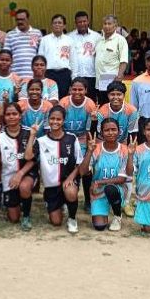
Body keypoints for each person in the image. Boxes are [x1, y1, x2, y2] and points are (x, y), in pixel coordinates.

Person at [25, 106, 83, 233]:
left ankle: (72, 219)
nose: (55, 122)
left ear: (63, 121)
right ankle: (59, 202)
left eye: (58, 119)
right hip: (51, 186)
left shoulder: (72, 138)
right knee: (56, 222)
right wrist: (32, 135)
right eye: (52, 119)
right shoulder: (41, 141)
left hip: (68, 181)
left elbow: (79, 163)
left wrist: (70, 177)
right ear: (48, 120)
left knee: (70, 191)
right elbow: (28, 156)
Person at [0, 104, 37, 230]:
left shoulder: (29, 132)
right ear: (4, 117)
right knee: (13, 218)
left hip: (26, 172)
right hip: (8, 175)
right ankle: (12, 200)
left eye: (14, 114)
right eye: (8, 114)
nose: (11, 117)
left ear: (20, 116)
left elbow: (32, 160)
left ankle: (26, 216)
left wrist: (20, 174)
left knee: (24, 187)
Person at [79, 120, 131, 232]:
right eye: (107, 130)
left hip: (118, 188)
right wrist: (89, 151)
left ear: (119, 132)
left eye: (113, 129)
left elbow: (122, 179)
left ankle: (117, 215)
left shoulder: (125, 150)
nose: (110, 133)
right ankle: (104, 206)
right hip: (98, 190)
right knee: (99, 226)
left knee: (110, 189)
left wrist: (99, 182)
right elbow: (82, 172)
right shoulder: (96, 148)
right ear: (101, 133)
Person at [60, 78, 97, 213]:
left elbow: (89, 130)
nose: (77, 92)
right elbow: (59, 123)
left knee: (86, 170)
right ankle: (64, 199)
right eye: (74, 89)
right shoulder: (64, 103)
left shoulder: (90, 104)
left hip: (82, 139)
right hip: (66, 138)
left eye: (80, 89)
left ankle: (88, 200)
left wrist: (88, 150)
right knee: (66, 166)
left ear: (86, 90)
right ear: (70, 90)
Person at [95, 15, 129, 105]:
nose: (107, 26)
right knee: (102, 106)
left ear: (115, 26)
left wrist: (119, 76)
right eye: (105, 24)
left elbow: (124, 60)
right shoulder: (99, 40)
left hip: (113, 81)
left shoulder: (120, 40)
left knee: (113, 106)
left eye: (109, 24)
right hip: (99, 81)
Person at [37, 14, 73, 99]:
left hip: (64, 74)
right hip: (49, 74)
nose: (57, 25)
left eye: (60, 23)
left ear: (64, 25)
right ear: (52, 25)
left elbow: (73, 61)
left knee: (63, 99)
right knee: (48, 98)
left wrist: (73, 80)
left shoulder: (69, 40)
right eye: (55, 23)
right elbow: (40, 59)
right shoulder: (45, 40)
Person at [69, 11, 101, 103]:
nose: (82, 24)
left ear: (88, 21)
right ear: (76, 23)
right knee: (76, 101)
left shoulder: (97, 37)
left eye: (84, 21)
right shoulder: (69, 37)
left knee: (91, 101)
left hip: (91, 75)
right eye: (79, 22)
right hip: (75, 75)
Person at [4, 9, 42, 79]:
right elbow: (6, 56)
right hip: (15, 75)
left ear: (28, 19)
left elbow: (41, 54)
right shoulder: (10, 35)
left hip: (33, 75)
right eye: (17, 20)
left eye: (22, 19)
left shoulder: (37, 33)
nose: (20, 22)